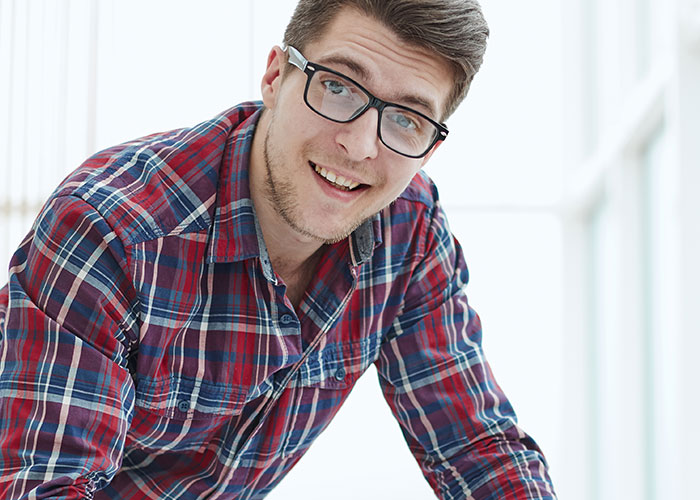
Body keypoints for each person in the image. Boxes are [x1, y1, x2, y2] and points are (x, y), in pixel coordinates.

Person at [0, 0, 557, 498]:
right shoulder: (112, 230)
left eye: (407, 120)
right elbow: (45, 484)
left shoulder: (408, 230)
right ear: (275, 76)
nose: (359, 145)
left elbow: (476, 449)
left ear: (428, 149)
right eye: (338, 86)